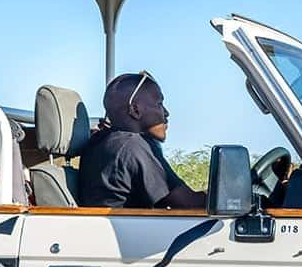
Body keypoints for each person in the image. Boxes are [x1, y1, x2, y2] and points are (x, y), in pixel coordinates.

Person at [76, 71, 205, 209]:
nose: (166, 113)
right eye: (159, 103)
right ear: (135, 110)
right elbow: (189, 204)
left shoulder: (101, 142)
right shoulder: (132, 146)